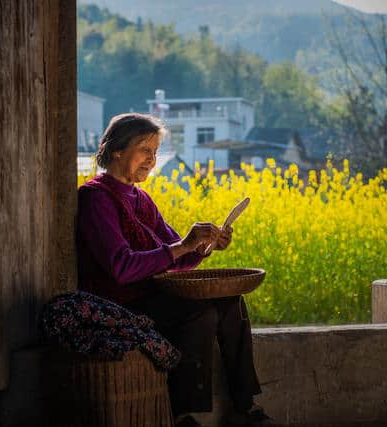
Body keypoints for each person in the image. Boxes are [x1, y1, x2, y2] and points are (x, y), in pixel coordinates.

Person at [76, 113, 273, 427]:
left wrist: (204, 247)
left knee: (231, 303)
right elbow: (122, 267)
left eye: (155, 152)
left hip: (154, 297)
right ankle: (182, 414)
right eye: (144, 150)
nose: (152, 160)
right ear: (116, 150)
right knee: (200, 314)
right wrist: (184, 245)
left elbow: (175, 258)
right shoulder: (95, 198)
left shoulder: (142, 199)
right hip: (119, 306)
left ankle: (244, 407)